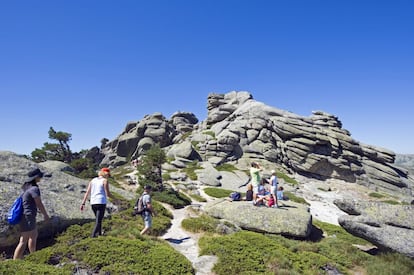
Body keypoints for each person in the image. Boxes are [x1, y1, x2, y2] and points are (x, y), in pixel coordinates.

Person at [13, 168, 50, 259]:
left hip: (24, 215)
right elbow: (38, 202)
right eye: (39, 176)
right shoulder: (34, 188)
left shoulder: (26, 188)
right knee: (27, 238)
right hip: (28, 215)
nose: (40, 178)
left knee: (29, 237)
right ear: (36, 177)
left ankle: (30, 256)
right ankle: (27, 258)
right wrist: (45, 215)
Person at [80, 167, 113, 238]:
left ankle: (100, 234)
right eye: (108, 175)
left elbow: (87, 192)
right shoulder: (105, 181)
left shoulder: (93, 180)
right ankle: (93, 236)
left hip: (93, 202)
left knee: (98, 219)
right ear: (106, 174)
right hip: (101, 202)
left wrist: (83, 203)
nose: (108, 176)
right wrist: (116, 199)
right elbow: (108, 194)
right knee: (98, 220)